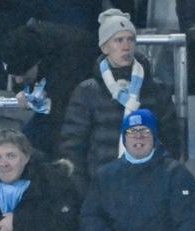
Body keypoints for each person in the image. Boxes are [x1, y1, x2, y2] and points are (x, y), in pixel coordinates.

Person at [60, 8, 180, 192]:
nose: (126, 46)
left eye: (130, 39)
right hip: (100, 189)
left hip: (149, 189)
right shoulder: (87, 91)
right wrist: (86, 193)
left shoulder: (156, 89)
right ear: (104, 47)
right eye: (118, 40)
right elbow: (72, 148)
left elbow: (170, 142)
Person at [0, 20, 97, 157]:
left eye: (22, 74)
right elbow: (20, 70)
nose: (18, 80)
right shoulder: (23, 44)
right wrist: (23, 90)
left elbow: (62, 111)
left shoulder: (75, 54)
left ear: (38, 62)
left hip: (80, 109)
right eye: (14, 76)